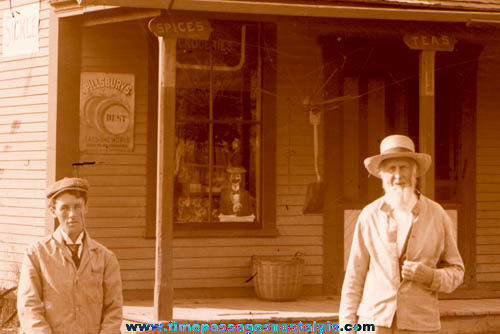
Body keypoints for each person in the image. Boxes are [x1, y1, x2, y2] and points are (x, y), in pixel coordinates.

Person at [339, 135, 464, 333]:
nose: (398, 176)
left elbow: (457, 272)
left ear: (415, 172)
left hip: (420, 324)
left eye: (403, 167)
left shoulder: (436, 214)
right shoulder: (370, 215)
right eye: (391, 169)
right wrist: (347, 327)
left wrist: (430, 276)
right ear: (382, 174)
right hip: (374, 322)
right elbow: (355, 275)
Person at [17, 177, 123, 334]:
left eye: (77, 206)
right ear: (53, 211)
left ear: (86, 207)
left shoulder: (106, 258)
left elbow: (113, 309)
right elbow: (29, 306)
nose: (72, 214)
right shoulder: (36, 254)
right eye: (64, 208)